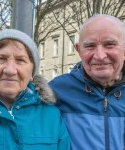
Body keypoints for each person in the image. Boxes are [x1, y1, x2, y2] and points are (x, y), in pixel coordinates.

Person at [0, 29, 70, 150]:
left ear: (32, 73)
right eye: (1, 59)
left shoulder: (51, 116)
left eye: (20, 60)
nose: (10, 70)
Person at [49, 14, 125, 150]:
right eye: (90, 46)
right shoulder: (56, 91)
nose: (100, 56)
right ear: (79, 50)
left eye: (109, 45)